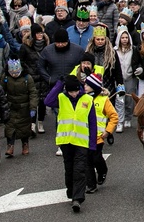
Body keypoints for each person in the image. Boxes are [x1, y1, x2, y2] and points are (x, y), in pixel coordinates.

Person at [44, 75, 97, 213]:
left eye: (76, 91)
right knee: (69, 169)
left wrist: (92, 144)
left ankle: (77, 198)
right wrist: (59, 84)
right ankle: (71, 191)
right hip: (66, 141)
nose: (74, 94)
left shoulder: (87, 99)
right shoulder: (61, 98)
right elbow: (47, 101)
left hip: (81, 141)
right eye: (71, 91)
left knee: (79, 170)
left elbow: (92, 123)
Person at [82, 73, 117, 193]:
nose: (85, 86)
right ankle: (91, 185)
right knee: (87, 161)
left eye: (87, 85)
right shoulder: (83, 98)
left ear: (93, 87)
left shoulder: (103, 100)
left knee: (96, 158)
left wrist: (108, 131)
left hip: (98, 136)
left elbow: (114, 116)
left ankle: (102, 171)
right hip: (84, 135)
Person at [1, 59, 37, 157]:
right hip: (11, 106)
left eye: (16, 72)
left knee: (24, 128)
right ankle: (10, 146)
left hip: (24, 107)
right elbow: (1, 92)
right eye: (12, 73)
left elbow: (33, 93)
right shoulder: (5, 78)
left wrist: (33, 107)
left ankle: (25, 144)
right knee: (10, 127)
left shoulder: (27, 78)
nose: (14, 75)